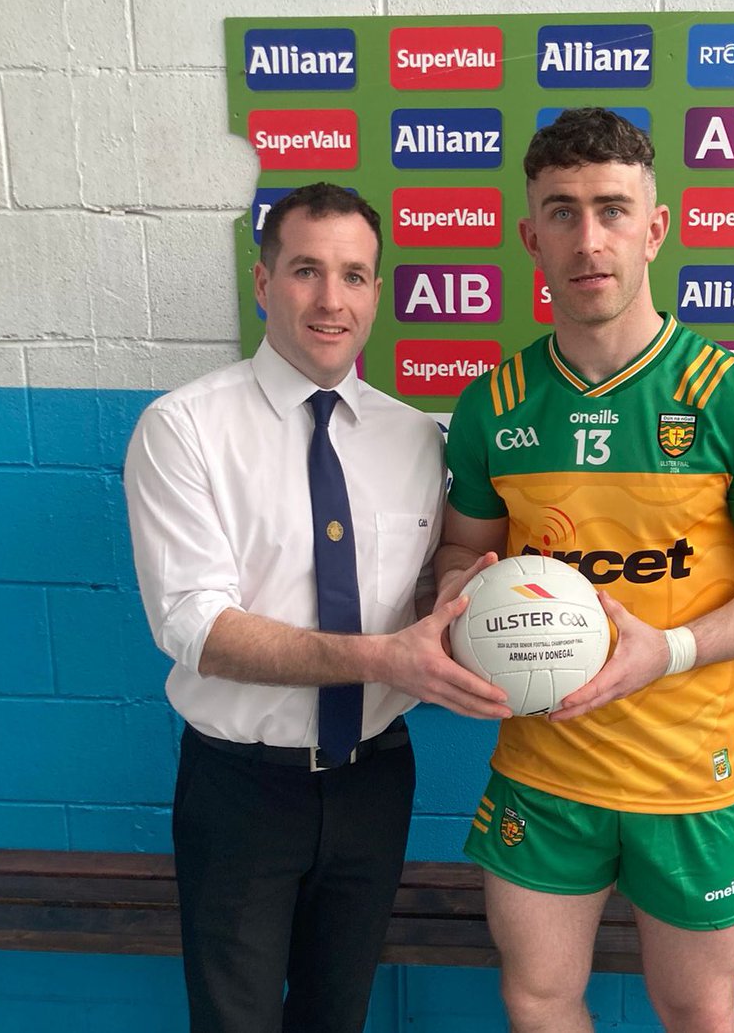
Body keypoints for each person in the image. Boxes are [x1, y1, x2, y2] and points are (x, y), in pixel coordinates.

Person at [436, 109, 734, 1033]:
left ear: (655, 228)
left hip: (689, 779)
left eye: (613, 210)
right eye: (563, 213)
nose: (590, 239)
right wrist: (465, 604)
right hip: (543, 773)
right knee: (537, 997)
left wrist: (672, 649)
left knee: (696, 1010)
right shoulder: (491, 405)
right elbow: (463, 549)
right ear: (530, 236)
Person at [124, 182, 509, 1033]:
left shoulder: (417, 438)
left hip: (377, 779)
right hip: (241, 790)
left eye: (355, 275)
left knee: (339, 1017)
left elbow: (417, 590)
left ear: (377, 293)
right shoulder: (183, 429)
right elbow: (194, 626)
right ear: (264, 284)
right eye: (306, 271)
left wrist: (455, 598)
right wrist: (385, 660)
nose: (331, 300)